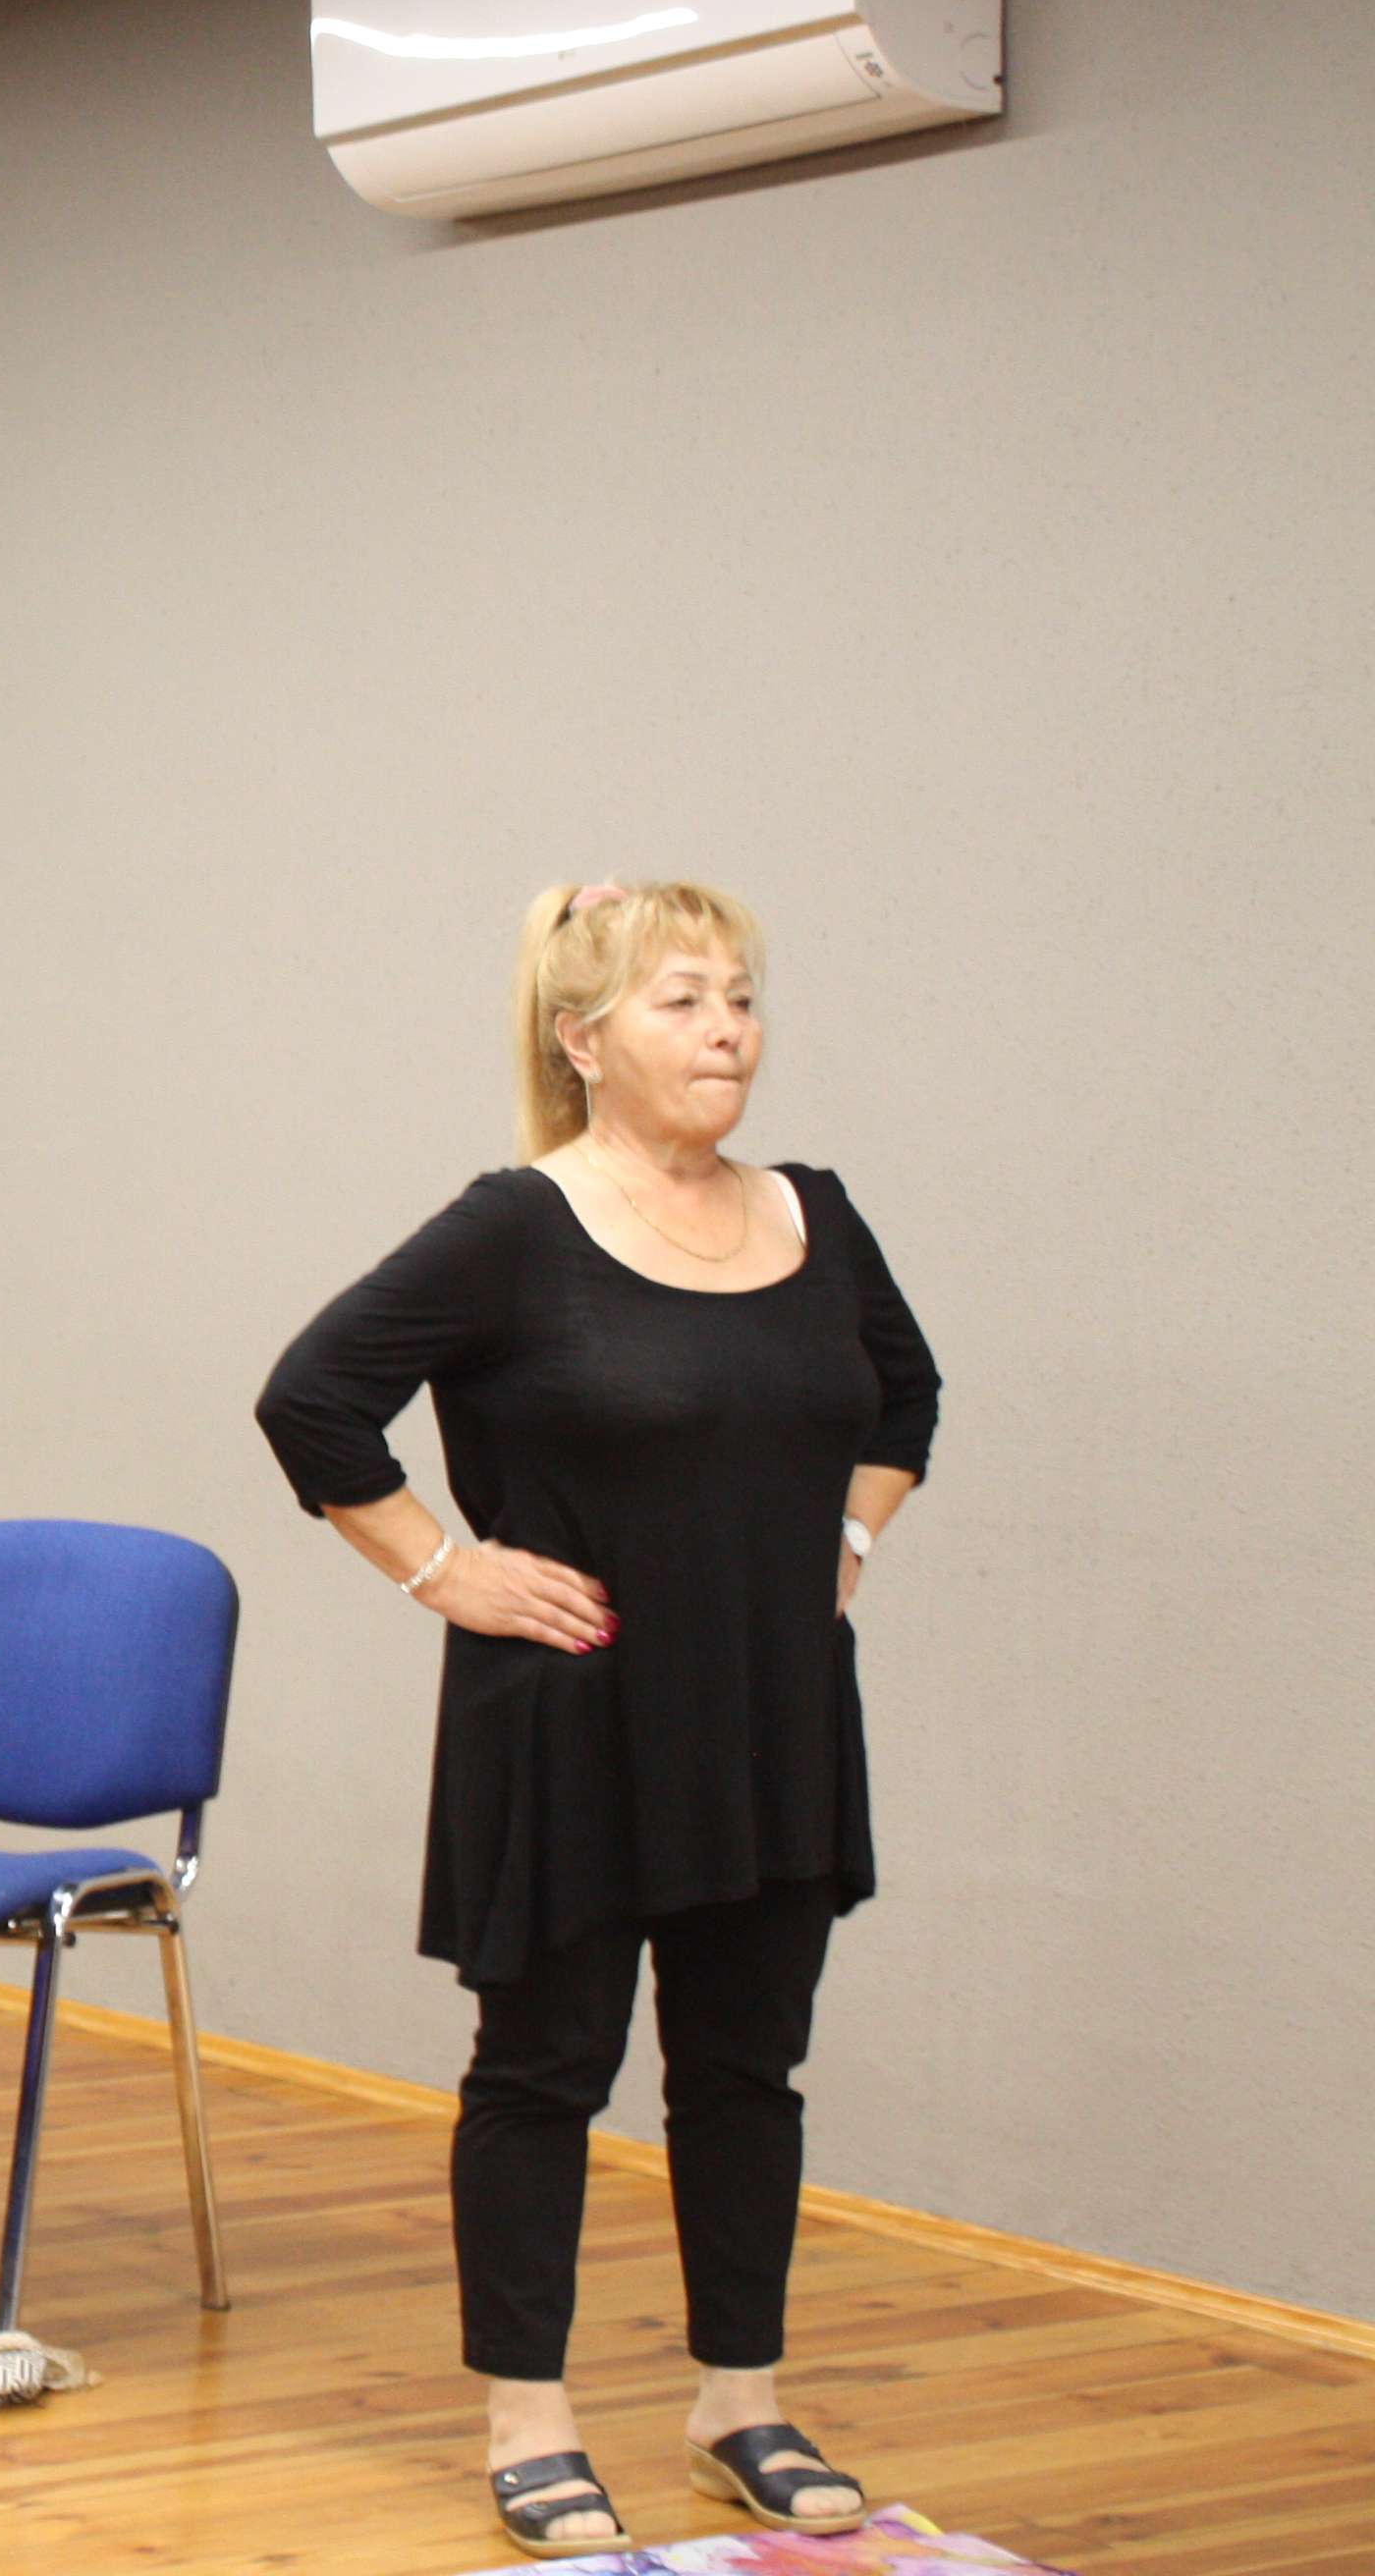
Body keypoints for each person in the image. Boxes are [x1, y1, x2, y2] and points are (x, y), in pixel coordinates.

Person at [254, 881, 939, 2560]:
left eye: (741, 999)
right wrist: (444, 1570)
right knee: (544, 2070)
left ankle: (739, 2402)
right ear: (582, 1039)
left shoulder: (817, 1214)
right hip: (573, 1719)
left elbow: (906, 1397)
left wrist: (847, 1544)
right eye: (683, 1001)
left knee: (747, 2069)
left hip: (773, 1719)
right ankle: (530, 2418)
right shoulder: (516, 1228)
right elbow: (313, 1398)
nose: (728, 1032)